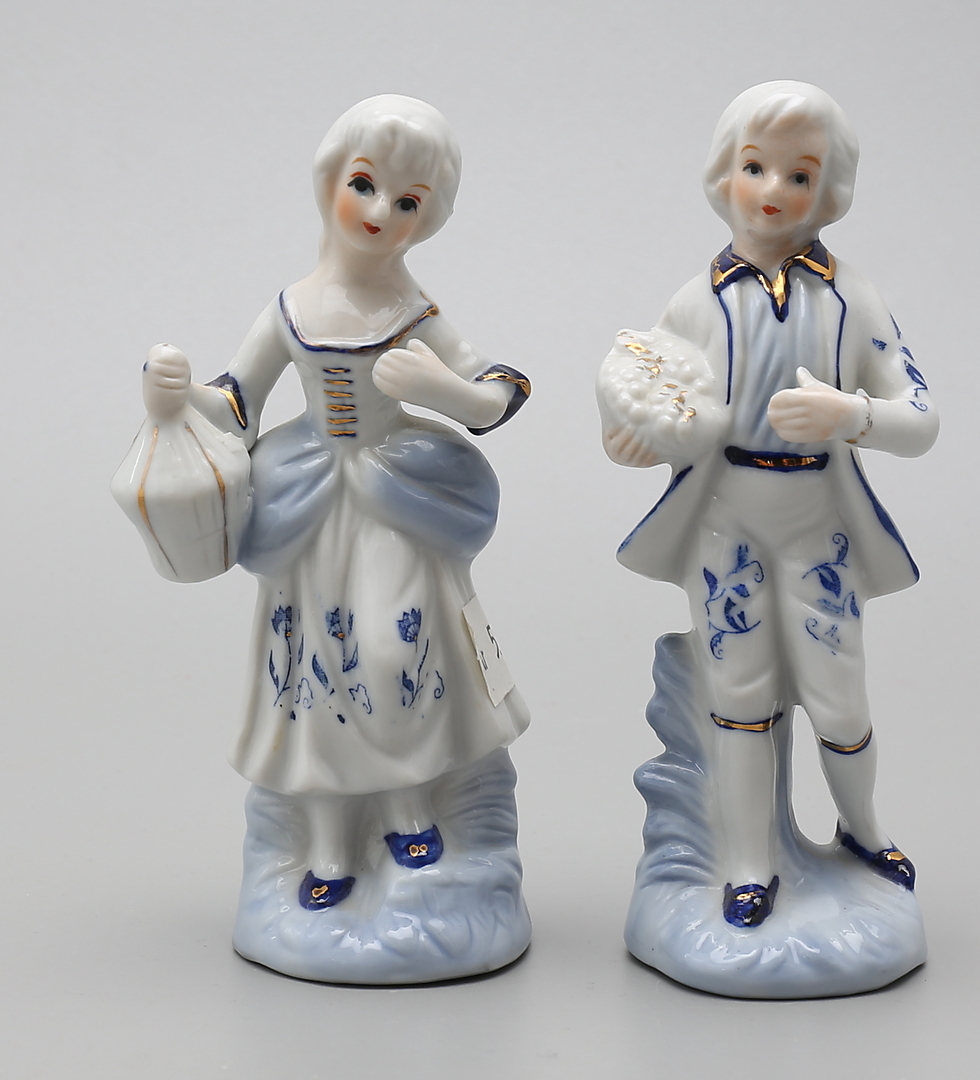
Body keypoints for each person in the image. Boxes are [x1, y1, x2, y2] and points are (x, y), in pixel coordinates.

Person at [130, 95, 530, 915]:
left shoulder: (413, 310)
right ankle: (327, 841)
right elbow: (236, 405)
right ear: (329, 184)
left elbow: (497, 391)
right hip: (308, 497)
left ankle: (407, 805)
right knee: (313, 667)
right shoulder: (290, 308)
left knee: (393, 652)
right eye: (365, 185)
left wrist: (444, 390)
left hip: (395, 493)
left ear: (428, 219)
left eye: (408, 201)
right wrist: (172, 393)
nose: (380, 212)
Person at [601, 81, 937, 929]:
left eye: (800, 174)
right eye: (755, 167)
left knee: (840, 696)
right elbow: (656, 400)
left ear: (830, 192)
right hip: (726, 524)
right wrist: (630, 441)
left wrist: (850, 415)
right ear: (724, 175)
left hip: (819, 523)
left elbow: (921, 416)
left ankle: (862, 829)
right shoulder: (695, 301)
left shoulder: (851, 298)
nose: (774, 190)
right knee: (741, 697)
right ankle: (749, 863)